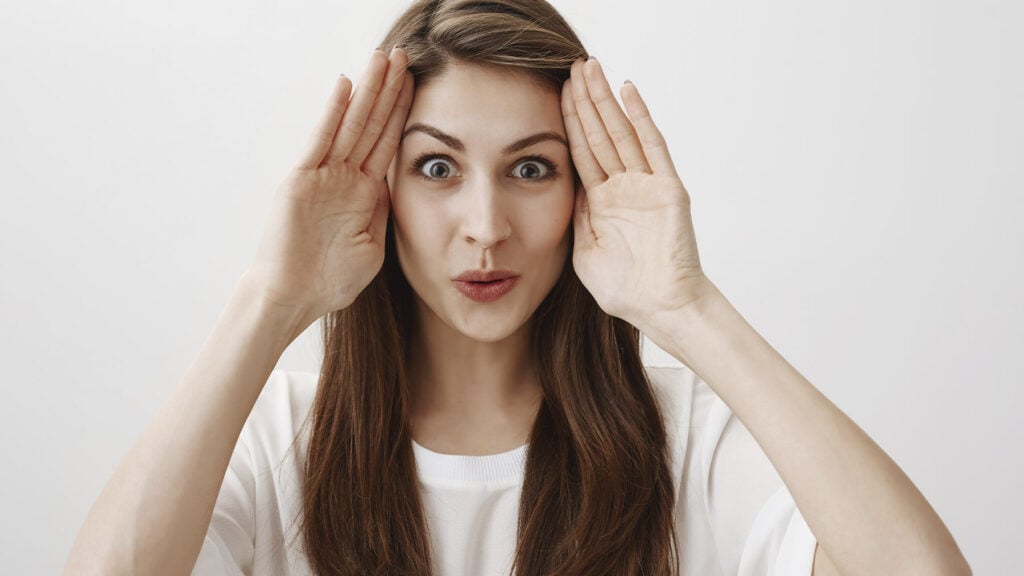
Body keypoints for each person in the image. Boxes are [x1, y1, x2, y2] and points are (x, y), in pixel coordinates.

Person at [64, 0, 972, 575]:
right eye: (436, 168)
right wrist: (271, 301)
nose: (487, 226)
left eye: (532, 170)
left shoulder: (686, 442)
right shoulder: (278, 443)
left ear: (584, 188)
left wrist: (686, 308)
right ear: (380, 182)